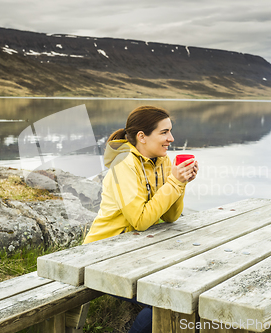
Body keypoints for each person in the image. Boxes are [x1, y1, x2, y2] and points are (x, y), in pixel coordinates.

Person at [83, 105, 199, 333]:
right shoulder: (123, 166)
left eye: (170, 132)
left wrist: (180, 183)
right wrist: (174, 183)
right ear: (142, 137)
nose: (171, 138)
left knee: (190, 294)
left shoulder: (162, 161)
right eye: (164, 132)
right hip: (104, 254)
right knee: (168, 303)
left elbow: (171, 216)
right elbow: (140, 220)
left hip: (136, 251)